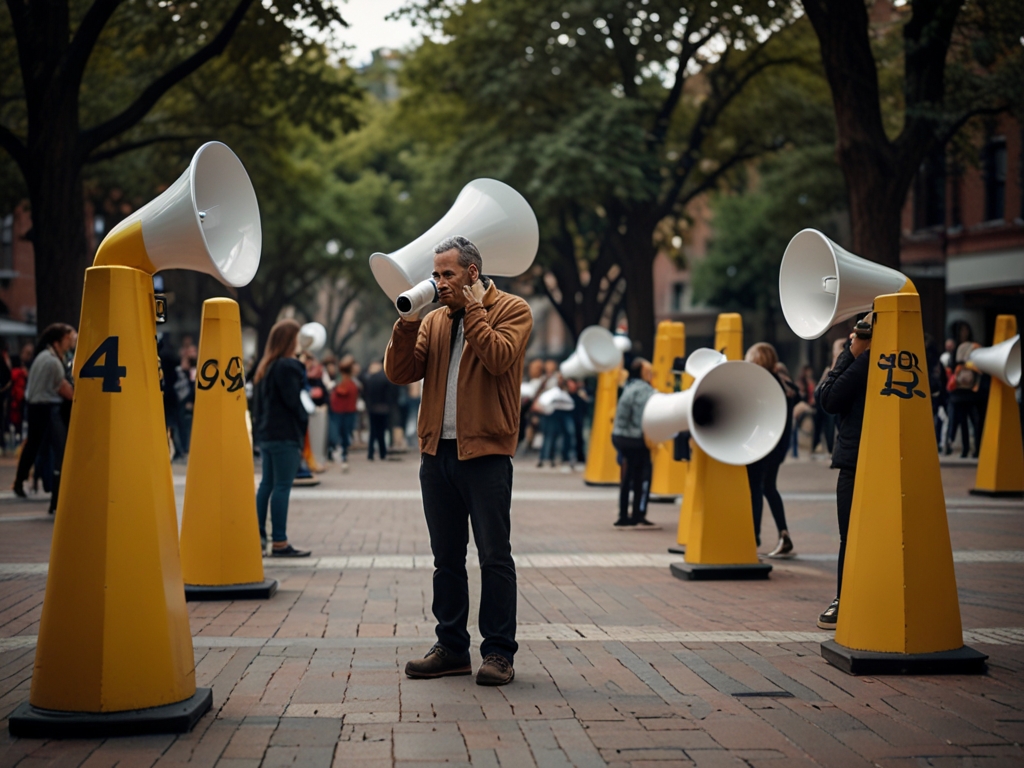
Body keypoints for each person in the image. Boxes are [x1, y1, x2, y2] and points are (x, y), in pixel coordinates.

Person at [384, 235, 532, 687]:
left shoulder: (512, 309)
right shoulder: (434, 321)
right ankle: (450, 647)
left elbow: (498, 357)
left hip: (486, 454)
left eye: (448, 274)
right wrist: (408, 323)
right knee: (445, 558)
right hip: (437, 453)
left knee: (493, 556)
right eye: (436, 274)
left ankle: (498, 654)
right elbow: (400, 372)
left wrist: (475, 310)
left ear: (472, 273)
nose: (439, 282)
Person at [814, 316, 873, 629]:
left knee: (848, 536)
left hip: (855, 460)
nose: (854, 333)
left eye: (862, 328)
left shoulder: (864, 363)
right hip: (871, 455)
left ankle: (844, 599)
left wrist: (851, 353)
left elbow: (828, 398)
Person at [251, 319, 311, 557]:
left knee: (267, 484)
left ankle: (259, 537)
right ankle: (279, 542)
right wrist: (304, 419)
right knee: (282, 486)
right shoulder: (289, 366)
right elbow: (294, 402)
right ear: (289, 340)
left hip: (267, 434)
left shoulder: (266, 366)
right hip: (285, 434)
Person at [13, 324, 75, 513]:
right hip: (49, 408)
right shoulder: (53, 362)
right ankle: (55, 498)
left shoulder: (41, 357)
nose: (70, 342)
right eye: (67, 338)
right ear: (57, 341)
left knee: (33, 445)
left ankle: (21, 481)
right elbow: (66, 391)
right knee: (59, 451)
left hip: (34, 405)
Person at [744, 343, 799, 557]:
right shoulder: (781, 383)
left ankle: (754, 536)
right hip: (777, 446)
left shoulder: (762, 384)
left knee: (755, 489)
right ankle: (783, 533)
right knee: (768, 487)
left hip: (761, 446)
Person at [611, 357, 658, 529]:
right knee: (642, 476)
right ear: (644, 373)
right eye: (650, 372)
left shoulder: (629, 387)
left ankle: (624, 515)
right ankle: (638, 514)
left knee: (628, 475)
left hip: (621, 437)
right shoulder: (645, 390)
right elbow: (648, 415)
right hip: (635, 439)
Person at [329, 360, 359, 470]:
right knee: (342, 432)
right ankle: (340, 452)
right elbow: (343, 391)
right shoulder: (346, 381)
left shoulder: (343, 381)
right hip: (343, 410)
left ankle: (341, 452)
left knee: (343, 432)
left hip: (344, 410)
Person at [363, 360, 393, 460]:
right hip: (383, 408)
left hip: (372, 408)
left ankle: (370, 453)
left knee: (373, 431)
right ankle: (382, 453)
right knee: (381, 432)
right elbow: (390, 395)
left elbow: (366, 395)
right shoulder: (385, 378)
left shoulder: (369, 379)